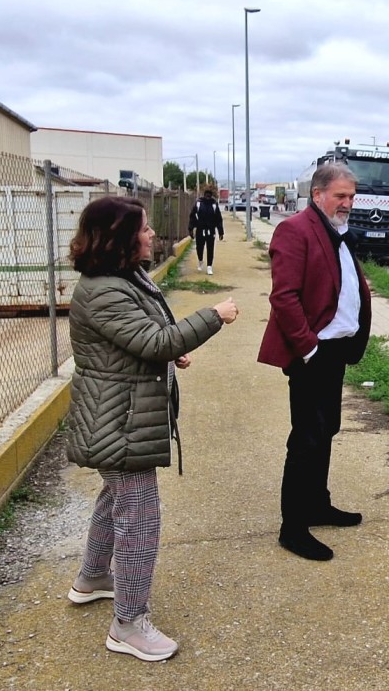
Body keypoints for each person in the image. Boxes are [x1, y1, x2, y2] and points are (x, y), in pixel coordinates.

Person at [66, 196, 239, 662]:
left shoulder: (121, 278)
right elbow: (154, 338)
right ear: (121, 238)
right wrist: (211, 317)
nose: (152, 236)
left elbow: (144, 336)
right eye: (143, 229)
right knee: (139, 518)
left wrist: (167, 350)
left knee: (114, 498)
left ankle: (92, 578)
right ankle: (128, 624)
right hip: (118, 421)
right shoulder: (104, 289)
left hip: (117, 414)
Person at [257, 163, 372, 561]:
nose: (348, 203)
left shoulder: (336, 232)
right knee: (306, 437)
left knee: (327, 429)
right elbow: (283, 297)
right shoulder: (295, 229)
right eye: (341, 196)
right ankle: (293, 527)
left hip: (336, 351)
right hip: (313, 353)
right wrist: (309, 349)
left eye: (352, 197)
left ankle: (317, 504)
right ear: (318, 194)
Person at [188, 189, 224, 275]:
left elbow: (219, 219)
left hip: (211, 230)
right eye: (206, 195)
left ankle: (209, 266)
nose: (208, 197)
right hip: (200, 230)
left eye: (209, 195)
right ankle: (200, 260)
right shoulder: (199, 203)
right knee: (199, 248)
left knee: (210, 248)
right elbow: (192, 216)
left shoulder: (214, 205)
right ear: (204, 195)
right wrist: (190, 229)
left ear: (211, 196)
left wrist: (220, 232)